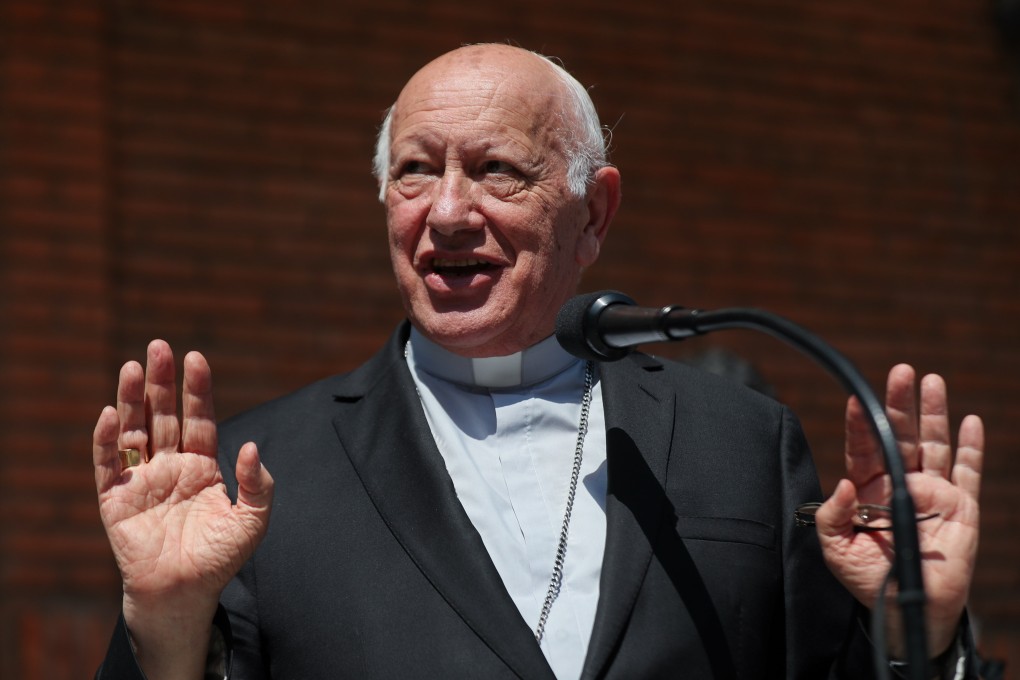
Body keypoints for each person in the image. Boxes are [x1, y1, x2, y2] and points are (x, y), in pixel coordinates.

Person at [92, 44, 984, 679]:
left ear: (593, 214)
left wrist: (919, 631)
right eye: (413, 172)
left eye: (496, 171)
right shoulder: (262, 475)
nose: (445, 212)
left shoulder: (739, 443)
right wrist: (166, 626)